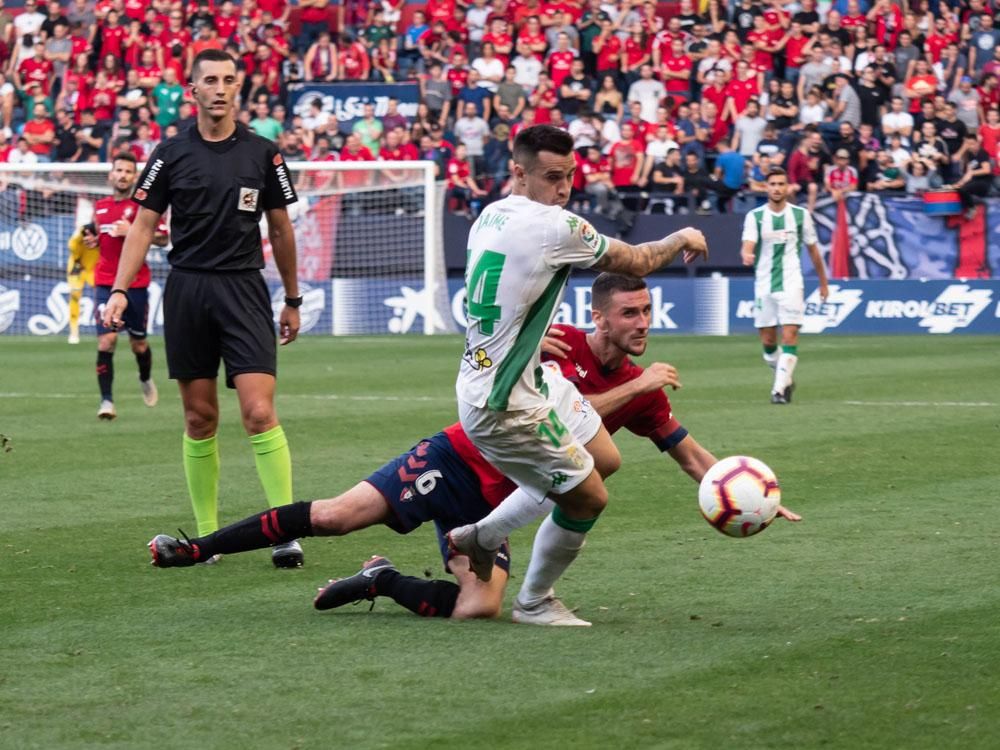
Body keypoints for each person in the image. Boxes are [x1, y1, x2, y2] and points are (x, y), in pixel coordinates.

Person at [147, 275, 801, 622]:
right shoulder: (557, 341)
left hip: (495, 509)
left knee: (477, 610)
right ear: (598, 318)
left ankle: (383, 579)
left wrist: (748, 490)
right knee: (332, 516)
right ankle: (195, 548)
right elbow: (534, 396)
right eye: (629, 314)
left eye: (647, 313)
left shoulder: (643, 392)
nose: (642, 325)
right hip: (454, 460)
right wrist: (622, 392)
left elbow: (689, 460)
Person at [447, 124, 708, 626]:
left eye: (569, 176)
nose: (563, 189)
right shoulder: (554, 226)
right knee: (589, 496)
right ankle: (533, 600)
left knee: (604, 456)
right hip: (503, 402)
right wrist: (681, 236)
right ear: (519, 173)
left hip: (520, 378)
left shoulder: (490, 214)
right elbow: (634, 260)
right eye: (551, 177)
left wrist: (520, 333)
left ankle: (478, 535)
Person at [101, 49, 305, 569]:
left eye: (228, 80)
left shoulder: (263, 154)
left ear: (238, 90)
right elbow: (143, 226)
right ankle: (208, 539)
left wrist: (292, 298)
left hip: (244, 290)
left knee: (259, 413)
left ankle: (284, 531)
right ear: (192, 90)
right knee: (199, 417)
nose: (219, 88)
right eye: (209, 80)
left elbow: (280, 230)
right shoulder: (169, 155)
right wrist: (121, 289)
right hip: (187, 290)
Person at [740, 168, 829, 405]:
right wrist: (746, 254)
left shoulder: (800, 216)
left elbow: (813, 251)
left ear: (788, 187)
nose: (777, 188)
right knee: (768, 343)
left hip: (792, 283)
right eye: (773, 184)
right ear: (766, 187)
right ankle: (786, 377)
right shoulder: (755, 216)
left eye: (781, 184)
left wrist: (823, 282)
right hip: (764, 284)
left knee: (789, 336)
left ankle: (778, 390)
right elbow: (748, 244)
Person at [91, 153, 168, 419]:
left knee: (139, 345)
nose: (122, 175)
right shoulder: (99, 206)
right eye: (119, 170)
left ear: (135, 177)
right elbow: (100, 239)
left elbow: (162, 240)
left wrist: (131, 231)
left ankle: (145, 377)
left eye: (128, 171)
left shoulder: (144, 206)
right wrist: (92, 240)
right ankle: (106, 402)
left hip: (136, 285)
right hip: (105, 282)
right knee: (107, 340)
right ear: (111, 175)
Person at [65, 223, 99, 345]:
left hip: (94, 268)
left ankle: (103, 327)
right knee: (74, 295)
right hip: (77, 266)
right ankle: (74, 331)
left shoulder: (102, 233)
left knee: (102, 296)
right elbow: (71, 245)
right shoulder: (80, 234)